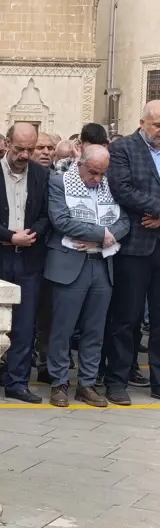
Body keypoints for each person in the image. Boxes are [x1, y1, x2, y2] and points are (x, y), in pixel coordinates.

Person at [45, 145, 128, 407]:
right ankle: (59, 382)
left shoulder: (108, 185)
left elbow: (124, 221)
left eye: (102, 173)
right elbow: (61, 221)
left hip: (101, 264)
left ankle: (87, 383)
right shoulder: (59, 183)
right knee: (63, 329)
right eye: (93, 172)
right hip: (69, 264)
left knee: (95, 330)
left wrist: (102, 239)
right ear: (80, 163)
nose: (97, 179)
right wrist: (103, 235)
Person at [0, 124, 50, 404]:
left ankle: (17, 382)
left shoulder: (41, 174)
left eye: (30, 149)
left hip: (29, 257)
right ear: (7, 143)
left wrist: (31, 235)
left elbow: (46, 214)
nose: (25, 155)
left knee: (25, 324)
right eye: (20, 149)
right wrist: (8, 236)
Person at [103, 100, 160, 401]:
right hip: (135, 246)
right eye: (158, 125)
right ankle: (117, 380)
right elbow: (122, 189)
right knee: (127, 317)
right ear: (142, 122)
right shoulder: (123, 148)